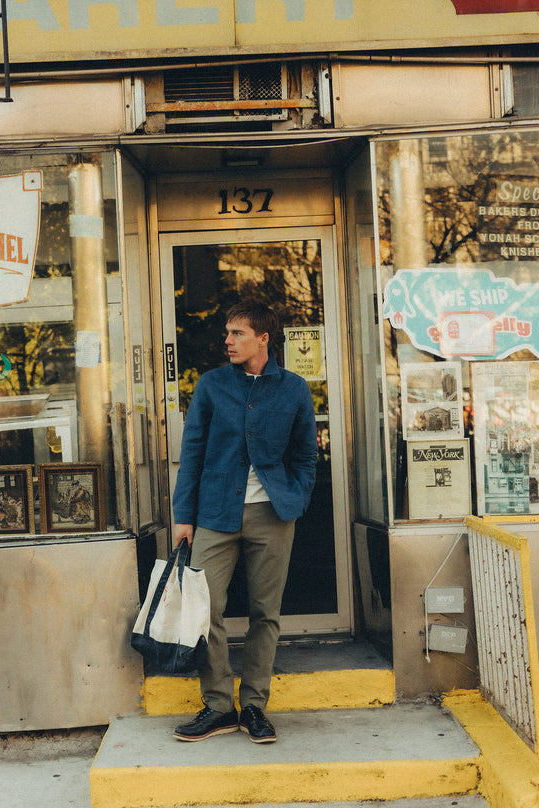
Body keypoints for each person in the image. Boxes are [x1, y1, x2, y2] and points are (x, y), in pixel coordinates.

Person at [172, 299, 318, 744]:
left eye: (238, 333)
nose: (228, 341)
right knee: (205, 610)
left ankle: (253, 706)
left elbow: (306, 456)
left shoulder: (293, 388)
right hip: (215, 512)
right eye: (227, 333)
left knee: (264, 613)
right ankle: (218, 706)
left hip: (272, 514)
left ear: (263, 338)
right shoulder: (212, 385)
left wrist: (295, 498)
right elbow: (192, 452)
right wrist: (184, 516)